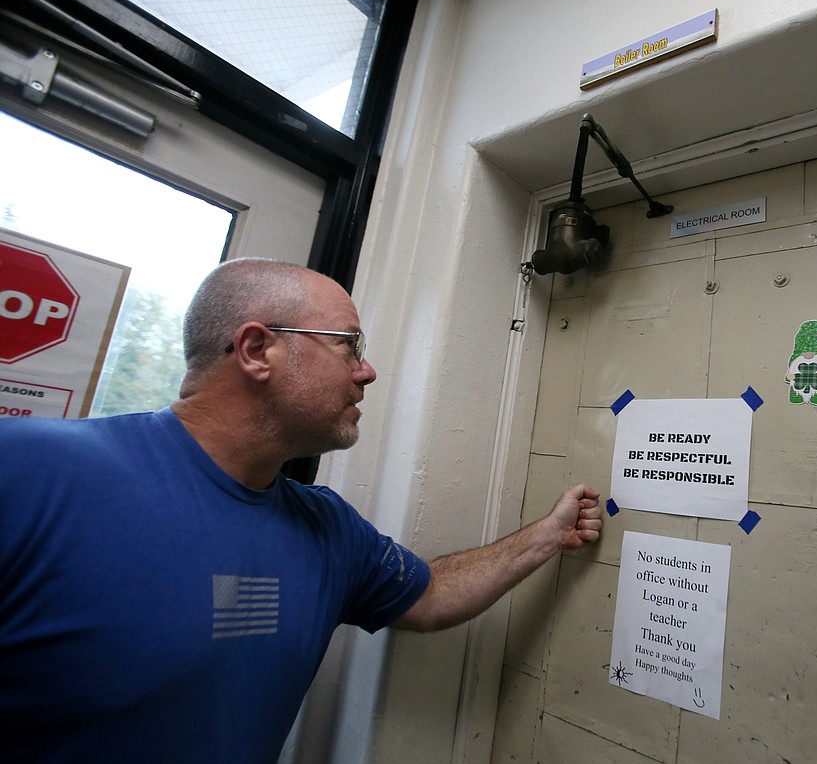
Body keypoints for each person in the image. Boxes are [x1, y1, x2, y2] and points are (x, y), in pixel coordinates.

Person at [0, 258, 603, 763]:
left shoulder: (327, 526)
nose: (366, 371)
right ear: (258, 350)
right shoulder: (30, 471)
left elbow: (429, 594)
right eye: (348, 346)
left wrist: (545, 537)